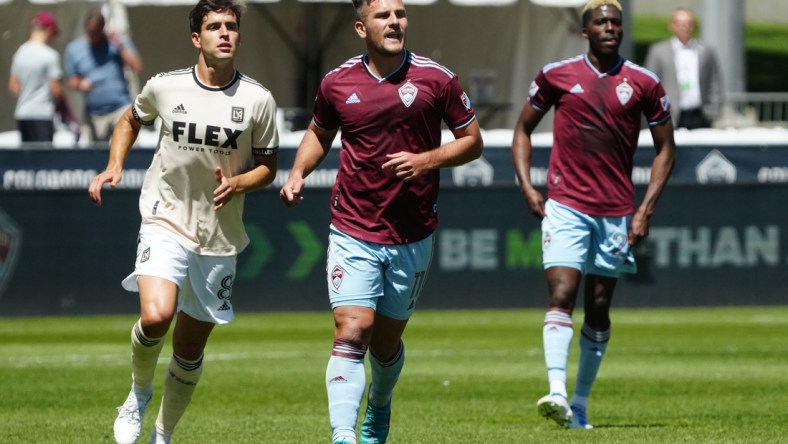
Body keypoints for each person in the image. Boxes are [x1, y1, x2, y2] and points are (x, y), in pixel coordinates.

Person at [279, 0, 483, 442]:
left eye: (400, 14)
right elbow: (319, 132)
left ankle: (380, 403)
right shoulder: (337, 82)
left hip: (411, 234)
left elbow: (473, 142)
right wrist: (297, 172)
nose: (394, 22)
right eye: (383, 16)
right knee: (353, 330)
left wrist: (427, 159)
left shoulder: (436, 78)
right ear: (360, 27)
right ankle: (343, 436)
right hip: (353, 228)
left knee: (385, 346)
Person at [87, 1, 279, 443]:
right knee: (156, 317)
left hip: (218, 235)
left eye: (231, 26)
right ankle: (137, 394)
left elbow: (269, 165)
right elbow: (130, 120)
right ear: (197, 38)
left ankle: (162, 433)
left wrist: (240, 183)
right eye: (215, 27)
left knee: (189, 349)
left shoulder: (258, 99)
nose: (225, 33)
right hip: (164, 217)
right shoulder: (165, 86)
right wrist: (115, 164)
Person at [511, 0, 675, 430]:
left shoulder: (644, 82)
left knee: (598, 308)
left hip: (617, 212)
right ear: (585, 31)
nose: (609, 28)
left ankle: (580, 403)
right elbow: (522, 129)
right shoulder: (556, 75)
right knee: (561, 293)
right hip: (565, 205)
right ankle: (557, 391)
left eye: (616, 23)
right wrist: (528, 186)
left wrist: (645, 211)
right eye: (600, 22)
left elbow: (666, 150)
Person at [65, 8, 143, 143]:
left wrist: (120, 46)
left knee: (128, 146)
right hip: (94, 113)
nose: (94, 36)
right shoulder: (74, 49)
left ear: (103, 28)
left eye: (97, 32)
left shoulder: (116, 42)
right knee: (97, 156)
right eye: (91, 32)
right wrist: (80, 84)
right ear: (85, 27)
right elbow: (71, 81)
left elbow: (136, 66)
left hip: (120, 106)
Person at [644, 7, 723, 129]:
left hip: (700, 114)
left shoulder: (705, 51)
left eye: (689, 23)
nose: (685, 27)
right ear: (672, 26)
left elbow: (714, 82)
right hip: (670, 115)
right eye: (680, 23)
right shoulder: (659, 51)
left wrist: (713, 110)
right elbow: (649, 84)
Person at [8, 12, 70, 143]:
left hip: (22, 113)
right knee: (44, 160)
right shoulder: (50, 55)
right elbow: (56, 90)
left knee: (28, 159)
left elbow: (13, 86)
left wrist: (28, 93)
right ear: (49, 30)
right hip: (42, 114)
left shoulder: (20, 52)